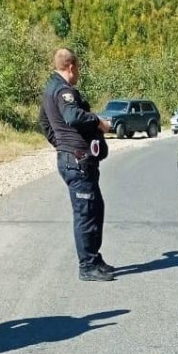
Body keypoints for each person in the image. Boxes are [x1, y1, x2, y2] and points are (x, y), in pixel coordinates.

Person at [38, 48, 115, 281]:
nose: (78, 73)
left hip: (74, 159)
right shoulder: (63, 91)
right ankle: (87, 266)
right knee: (86, 213)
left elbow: (44, 123)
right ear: (71, 67)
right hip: (77, 161)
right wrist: (98, 122)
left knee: (95, 208)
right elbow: (72, 116)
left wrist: (61, 144)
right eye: (78, 69)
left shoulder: (50, 89)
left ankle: (94, 258)